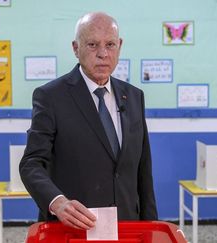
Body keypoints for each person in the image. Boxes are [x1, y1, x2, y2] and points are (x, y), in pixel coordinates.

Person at [19, 11, 158, 230]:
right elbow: (31, 164)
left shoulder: (133, 96)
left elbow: (143, 170)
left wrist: (151, 226)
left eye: (110, 44)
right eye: (93, 45)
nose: (103, 54)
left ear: (119, 45)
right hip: (75, 226)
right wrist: (57, 202)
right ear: (76, 48)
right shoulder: (51, 96)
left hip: (128, 225)